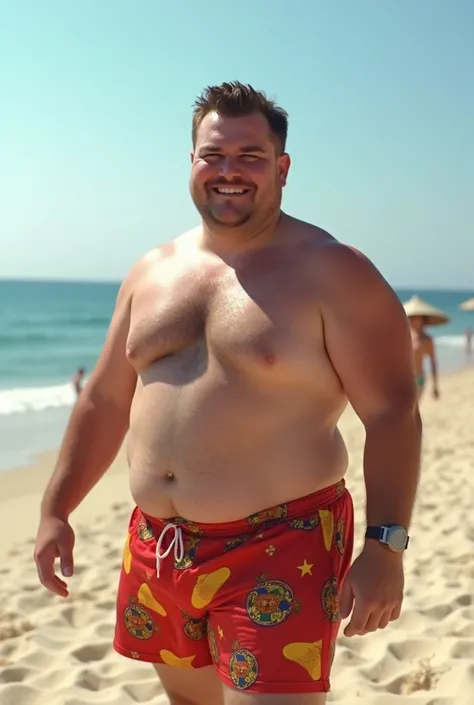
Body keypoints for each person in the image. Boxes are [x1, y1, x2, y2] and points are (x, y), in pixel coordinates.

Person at [34, 82, 422, 705]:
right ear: (191, 162)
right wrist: (57, 508)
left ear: (282, 167)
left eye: (250, 155)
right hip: (157, 546)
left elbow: (392, 412)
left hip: (281, 545)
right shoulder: (151, 271)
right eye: (214, 154)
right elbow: (105, 400)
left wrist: (386, 545)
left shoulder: (334, 271)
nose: (229, 171)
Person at [402, 295, 449, 401]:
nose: (411, 320)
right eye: (410, 317)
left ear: (422, 320)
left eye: (415, 317)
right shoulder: (403, 337)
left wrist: (435, 385)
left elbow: (433, 363)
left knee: (413, 408)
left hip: (418, 379)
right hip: (403, 379)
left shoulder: (427, 340)